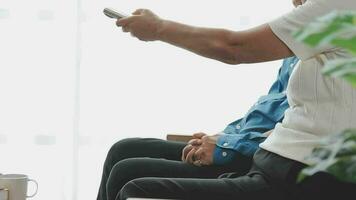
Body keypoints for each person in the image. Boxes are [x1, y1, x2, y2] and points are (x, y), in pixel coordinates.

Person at [111, 0, 356, 199]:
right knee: (125, 158)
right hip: (272, 164)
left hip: (295, 177)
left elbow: (233, 47)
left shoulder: (339, 7)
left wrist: (158, 28)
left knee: (134, 187)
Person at [97, 55, 299, 200]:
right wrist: (223, 136)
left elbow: (287, 133)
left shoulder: (318, 67)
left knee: (126, 171)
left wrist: (225, 146)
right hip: (237, 144)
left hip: (250, 159)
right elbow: (264, 111)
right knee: (122, 149)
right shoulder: (294, 54)